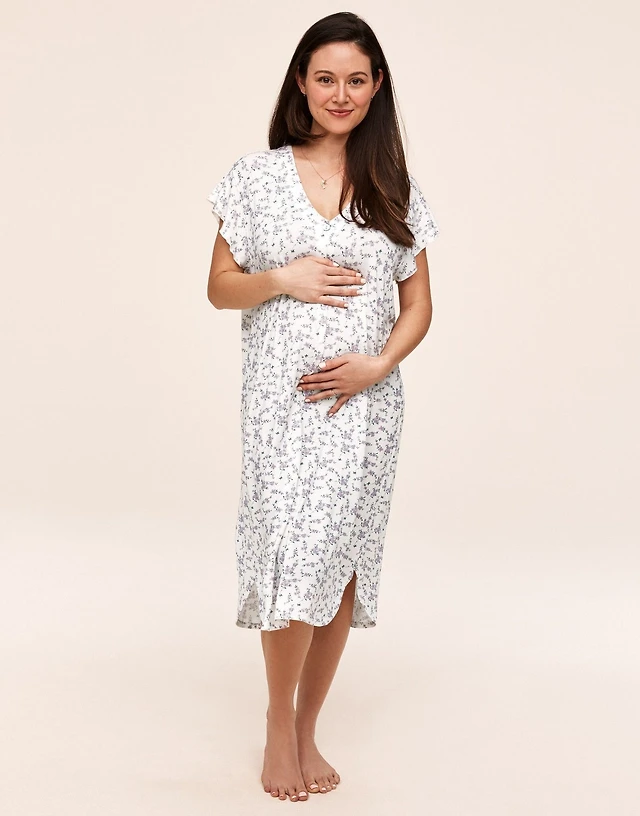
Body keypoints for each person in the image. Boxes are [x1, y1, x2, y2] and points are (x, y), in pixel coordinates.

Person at [205, 11, 439, 804]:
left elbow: (419, 307)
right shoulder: (255, 177)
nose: (341, 93)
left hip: (365, 411)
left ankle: (309, 727)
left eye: (357, 80)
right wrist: (284, 278)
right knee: (289, 557)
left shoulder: (392, 187)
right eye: (326, 77)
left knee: (339, 567)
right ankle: (279, 724)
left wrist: (377, 365)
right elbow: (219, 289)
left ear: (377, 88)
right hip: (283, 408)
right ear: (301, 83)